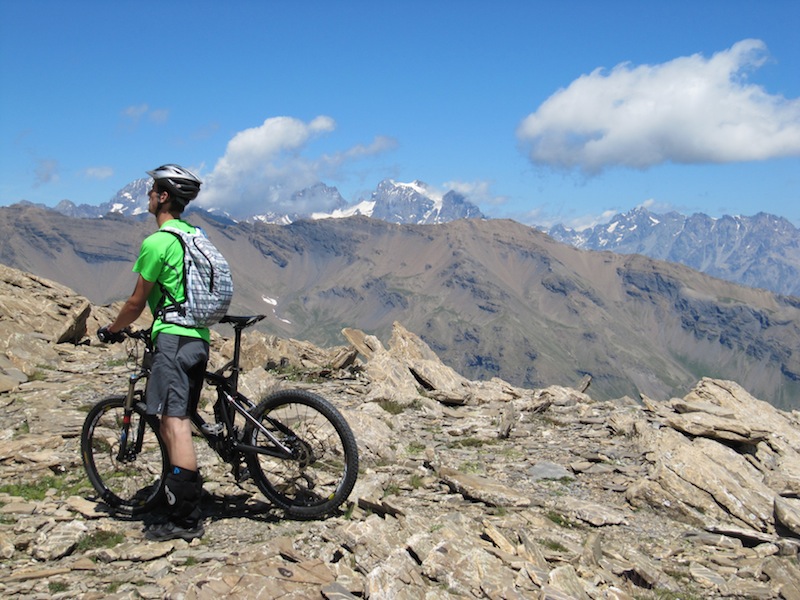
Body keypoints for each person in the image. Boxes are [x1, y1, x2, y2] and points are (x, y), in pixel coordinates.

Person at [98, 164, 210, 541]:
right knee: (179, 416)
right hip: (198, 336)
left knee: (174, 421)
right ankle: (177, 494)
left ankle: (186, 517)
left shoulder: (158, 242)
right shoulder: (194, 234)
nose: (148, 195)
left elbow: (135, 302)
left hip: (173, 340)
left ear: (163, 197)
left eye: (152, 190)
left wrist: (112, 329)